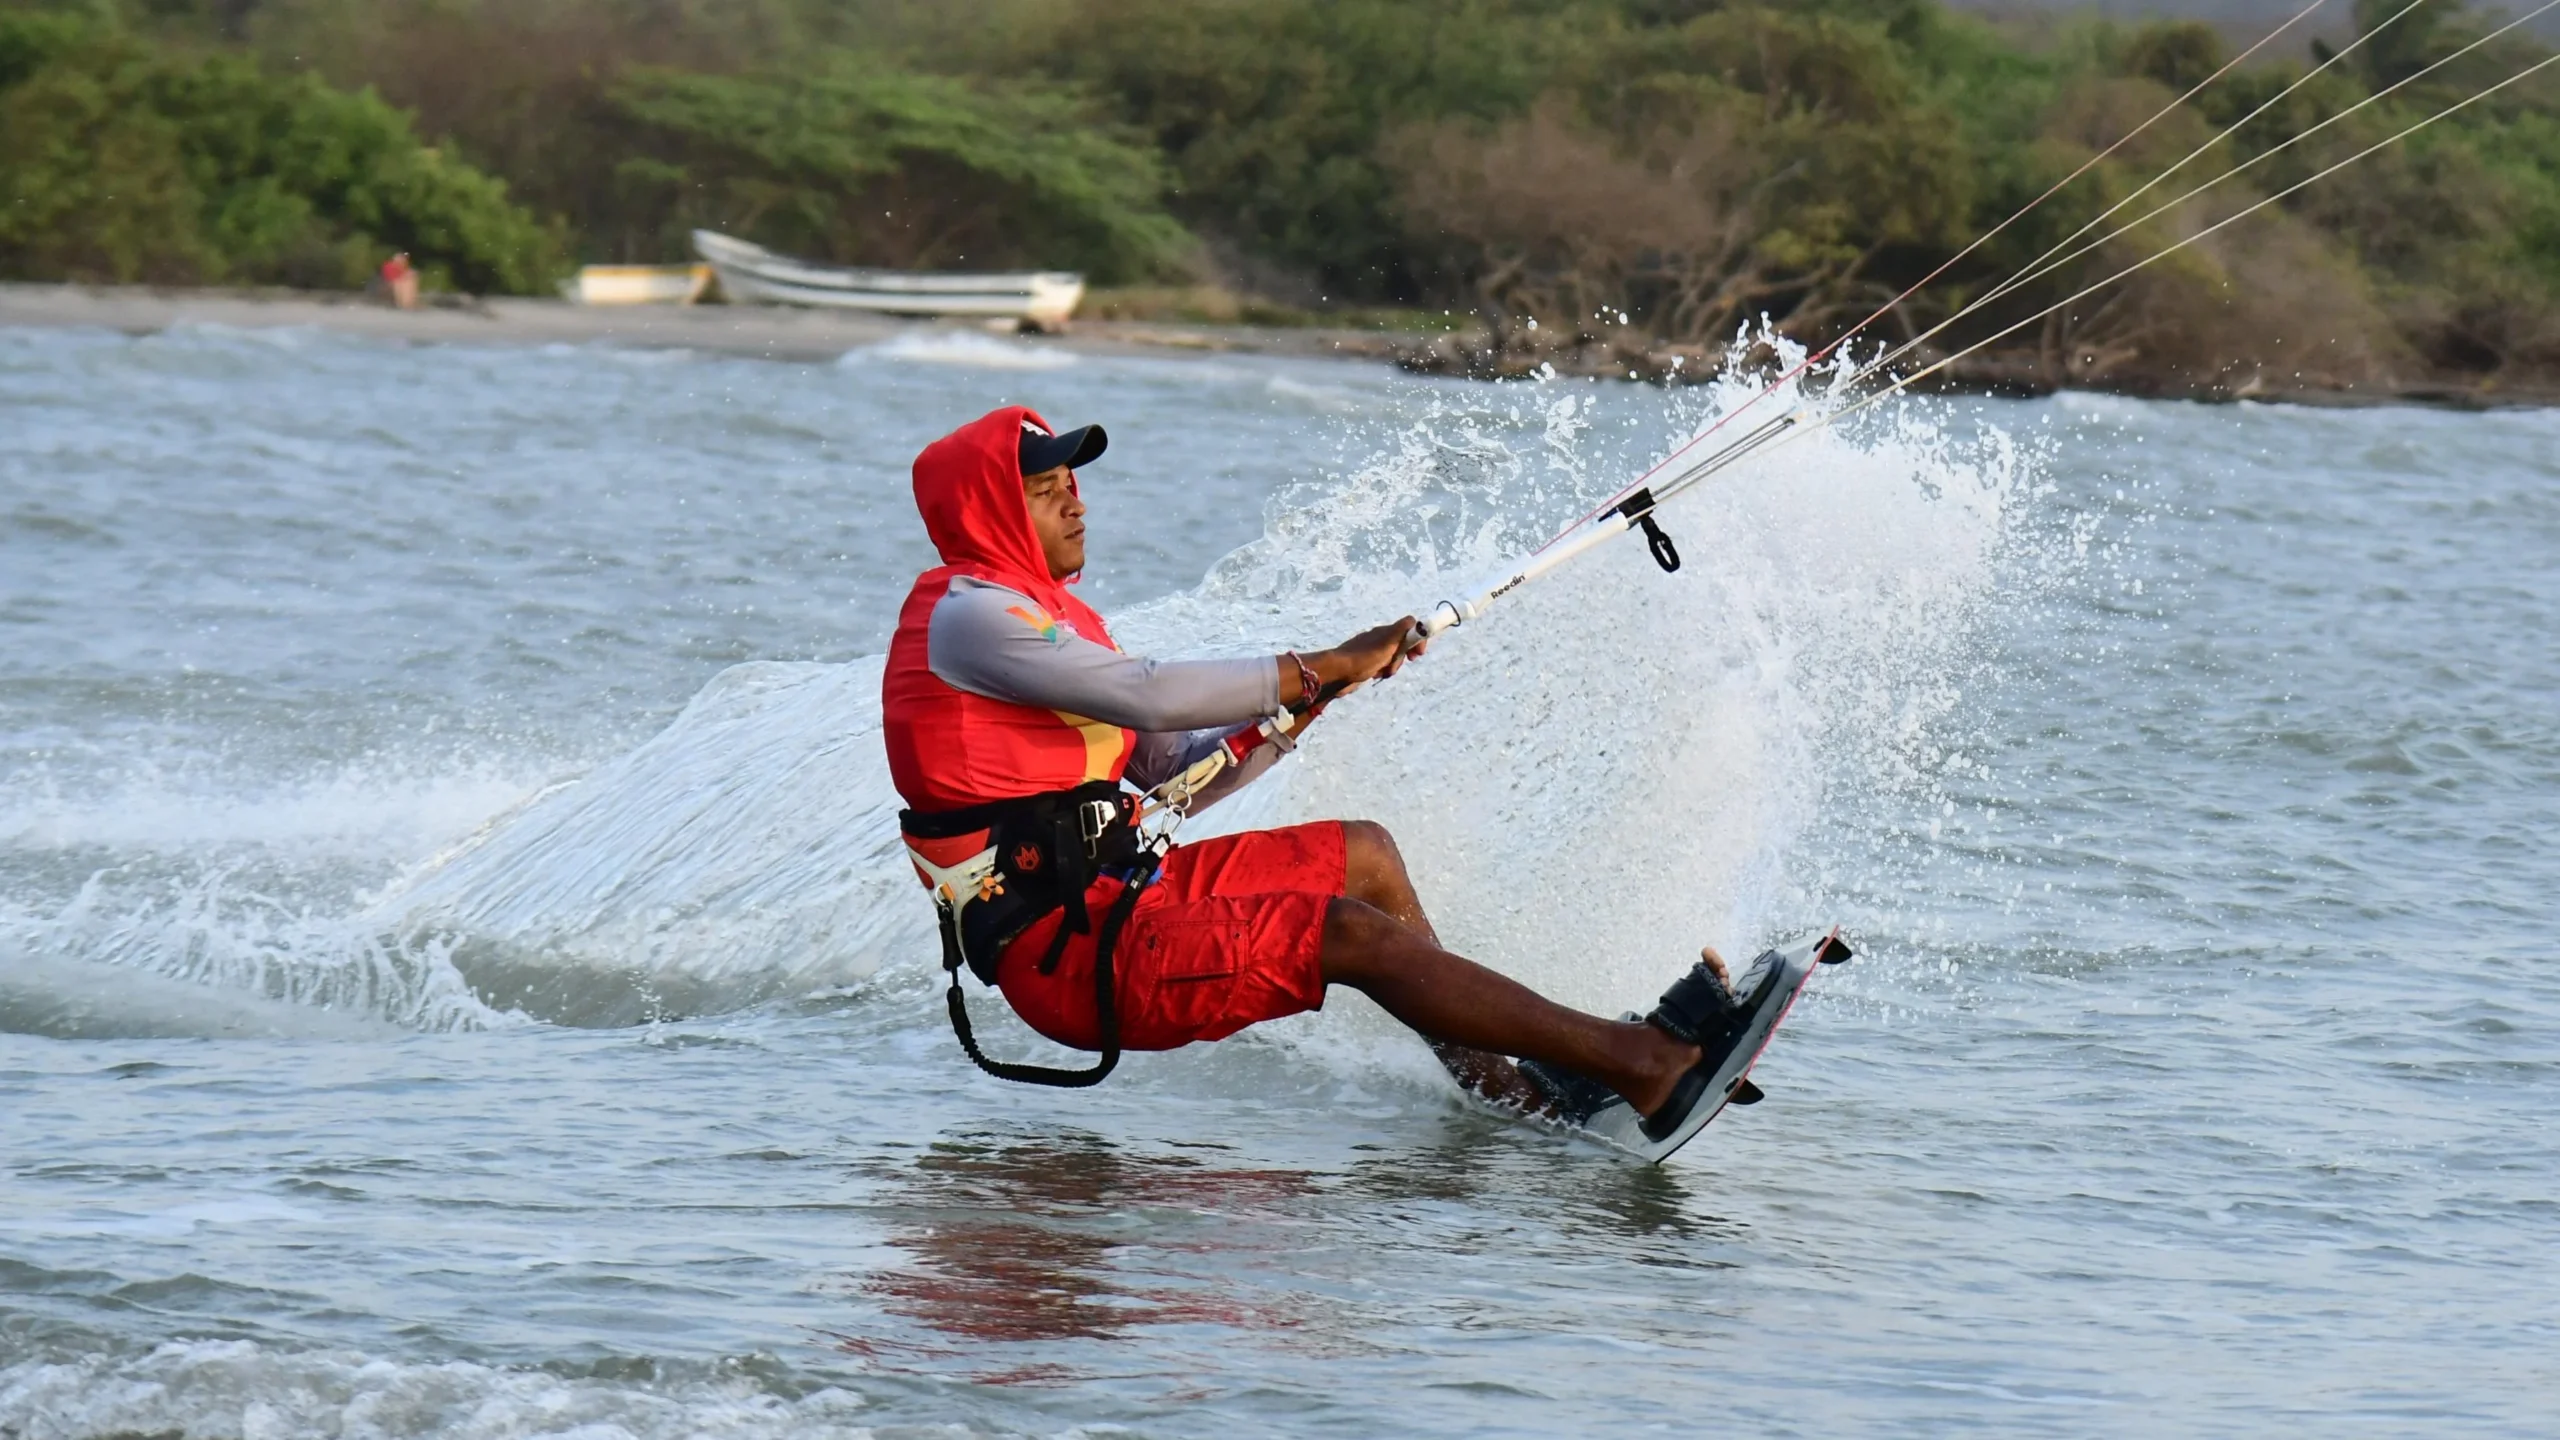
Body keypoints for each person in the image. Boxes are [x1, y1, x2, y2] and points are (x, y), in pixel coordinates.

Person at [883, 406, 1745, 1133]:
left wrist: (1307, 705)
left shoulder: (1057, 621)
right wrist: (1317, 664)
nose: (1074, 504)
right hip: (1068, 958)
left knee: (1363, 855)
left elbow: (1185, 769)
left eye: (1072, 486)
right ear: (991, 513)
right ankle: (1638, 1063)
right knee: (1345, 933)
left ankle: (1512, 1094)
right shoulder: (972, 620)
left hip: (1119, 900)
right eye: (1044, 492)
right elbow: (1146, 696)